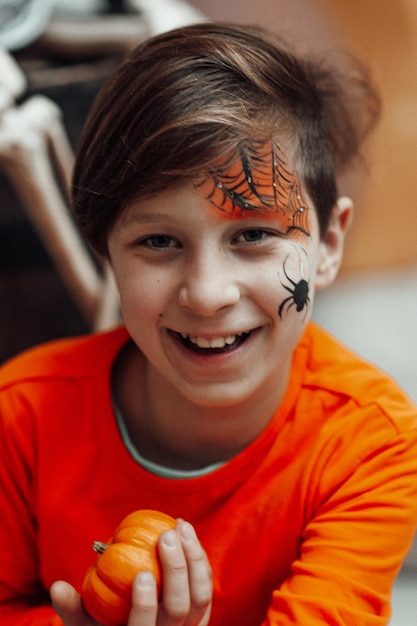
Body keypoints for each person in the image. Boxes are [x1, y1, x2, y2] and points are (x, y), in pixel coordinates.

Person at [0, 22, 416, 626]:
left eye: (253, 235)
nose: (207, 293)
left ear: (327, 244)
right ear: (106, 253)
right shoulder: (21, 418)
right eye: (158, 241)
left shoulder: (367, 446)